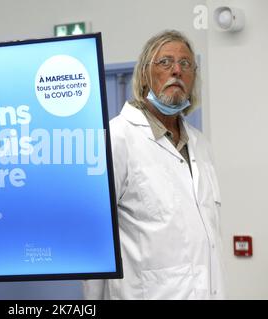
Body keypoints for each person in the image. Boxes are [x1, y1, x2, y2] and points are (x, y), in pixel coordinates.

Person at [83, 30, 225, 299]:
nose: (176, 70)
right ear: (145, 75)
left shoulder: (201, 146)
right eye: (165, 62)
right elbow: (94, 241)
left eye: (186, 64)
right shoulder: (116, 138)